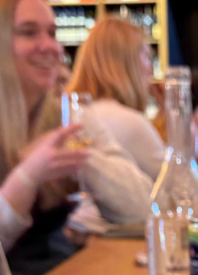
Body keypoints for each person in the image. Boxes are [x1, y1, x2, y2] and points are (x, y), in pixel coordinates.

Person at [0, 0, 154, 275]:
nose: (50, 47)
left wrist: (77, 156)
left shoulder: (67, 114)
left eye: (52, 33)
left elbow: (143, 208)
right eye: (29, 32)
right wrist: (28, 175)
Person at [67, 17, 166, 180]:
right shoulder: (131, 123)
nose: (151, 69)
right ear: (127, 63)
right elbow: (187, 190)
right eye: (147, 57)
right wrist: (174, 111)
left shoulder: (70, 115)